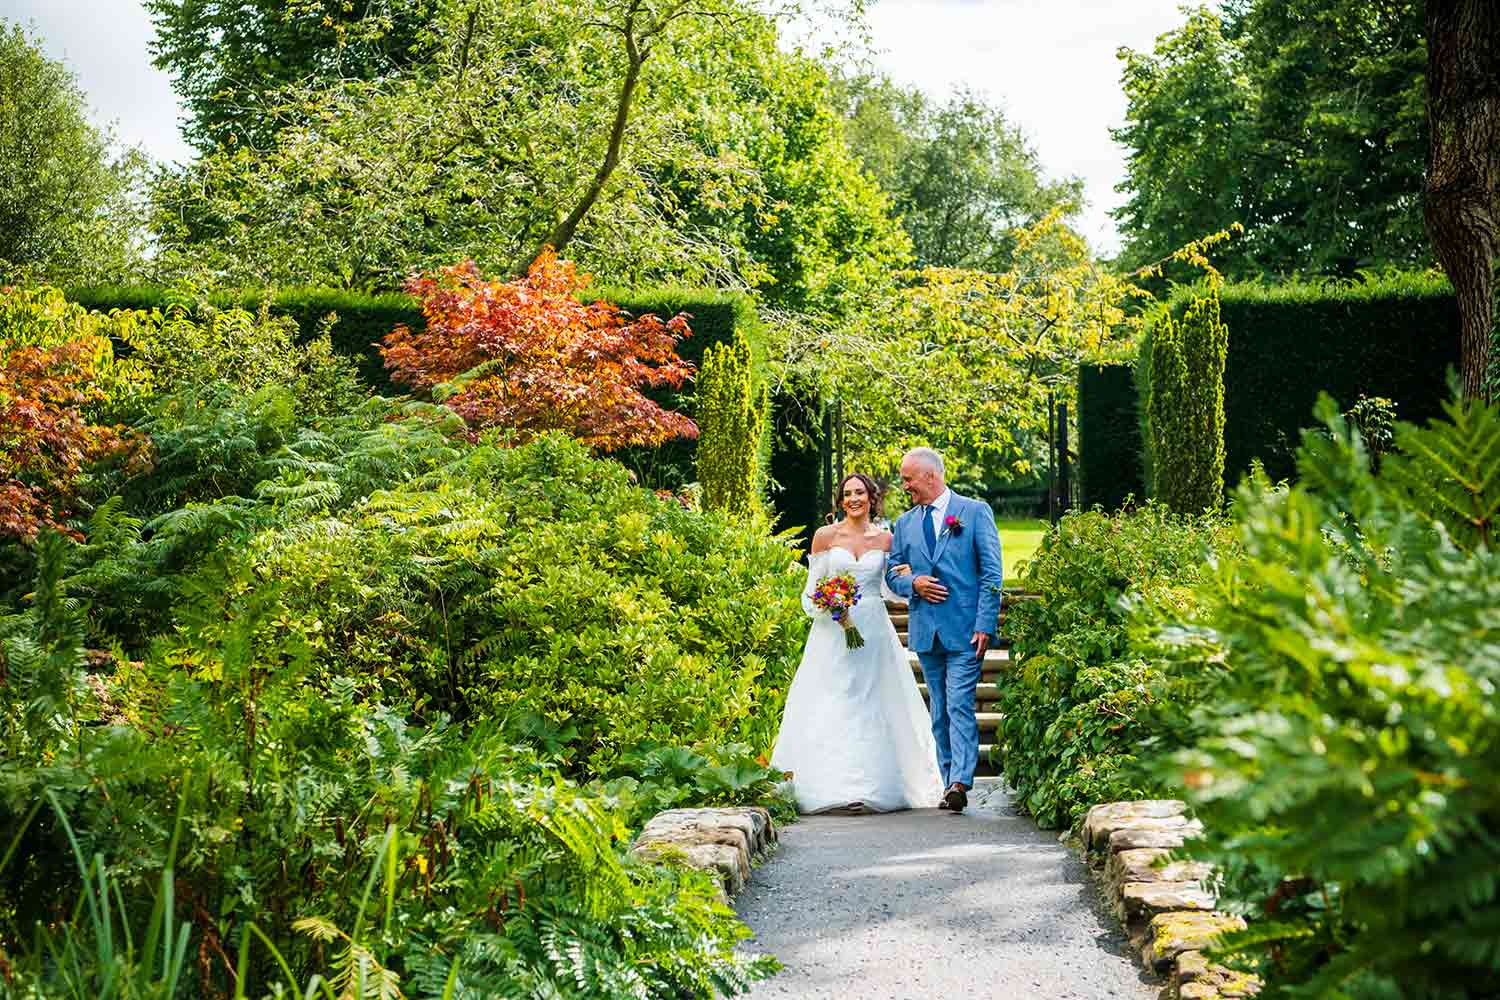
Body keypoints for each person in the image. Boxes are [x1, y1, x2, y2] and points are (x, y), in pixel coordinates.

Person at [770, 473, 944, 814]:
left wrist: (911, 579)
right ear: (840, 500)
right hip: (832, 631)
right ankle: (833, 784)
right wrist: (830, 604)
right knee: (834, 700)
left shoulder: (886, 540)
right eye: (847, 493)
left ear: (871, 497)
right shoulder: (825, 537)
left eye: (860, 492)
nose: (854, 499)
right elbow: (810, 592)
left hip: (873, 630)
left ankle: (869, 786)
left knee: (873, 702)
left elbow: (891, 590)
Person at [884, 447, 1003, 814]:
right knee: (938, 709)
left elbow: (991, 574)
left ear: (930, 476)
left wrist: (985, 622)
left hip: (967, 629)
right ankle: (948, 779)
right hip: (926, 630)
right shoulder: (903, 524)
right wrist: (914, 582)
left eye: (908, 479)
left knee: (959, 703)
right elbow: (893, 571)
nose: (905, 486)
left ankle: (960, 781)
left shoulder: (974, 512)